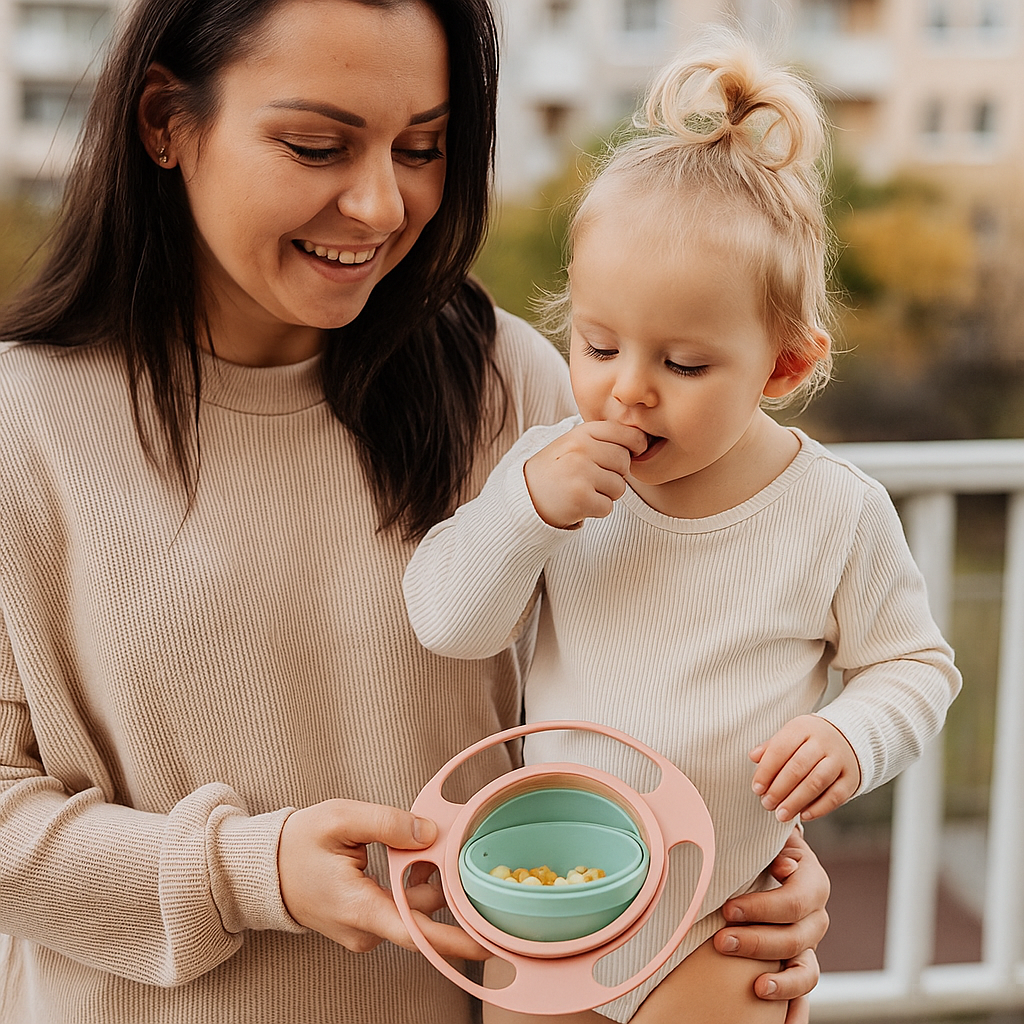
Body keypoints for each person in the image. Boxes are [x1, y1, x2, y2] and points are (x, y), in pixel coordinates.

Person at [0, 3, 829, 1023]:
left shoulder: (511, 384)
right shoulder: (21, 422)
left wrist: (748, 873)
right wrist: (252, 870)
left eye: (424, 147)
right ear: (165, 121)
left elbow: (663, 672)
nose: (381, 203)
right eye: (316, 144)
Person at [403, 32, 962, 1024]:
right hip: (551, 902)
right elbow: (449, 621)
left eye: (684, 364)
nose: (628, 388)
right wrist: (523, 508)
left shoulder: (834, 512)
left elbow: (914, 665)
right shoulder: (547, 474)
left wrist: (852, 731)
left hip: (723, 917)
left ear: (782, 368)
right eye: (600, 342)